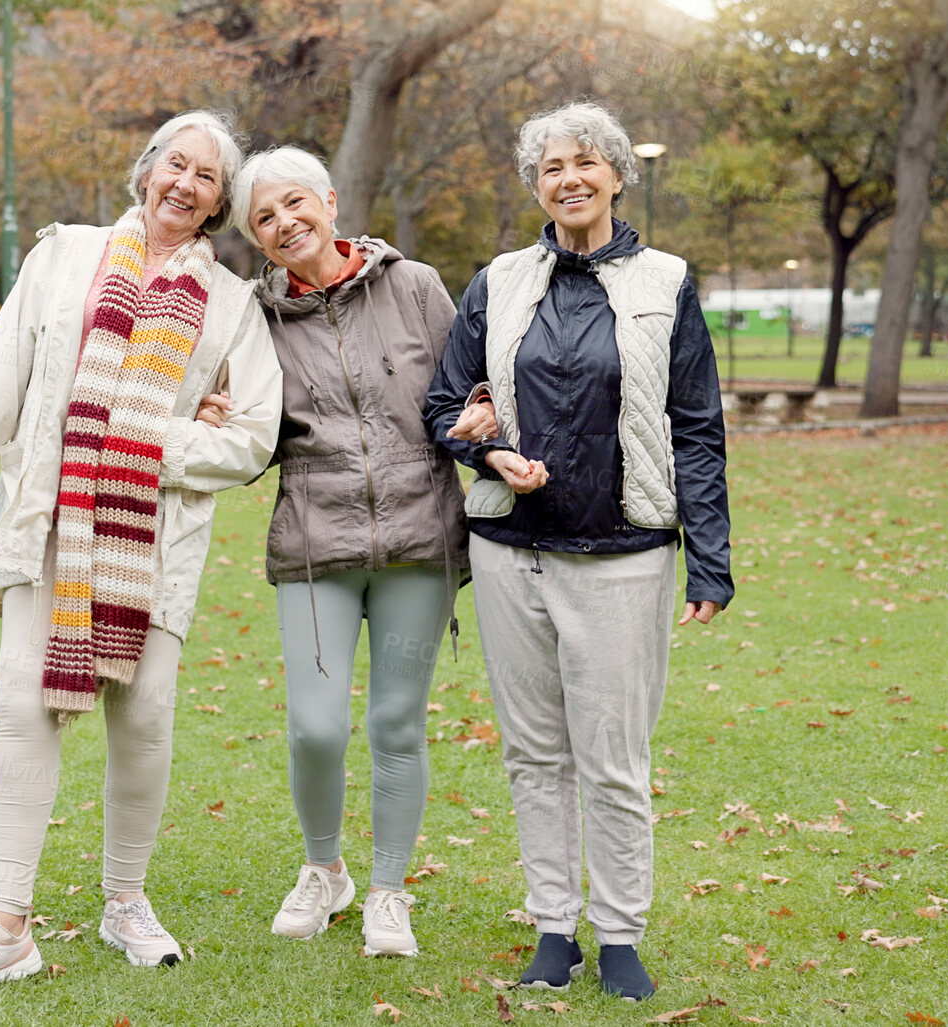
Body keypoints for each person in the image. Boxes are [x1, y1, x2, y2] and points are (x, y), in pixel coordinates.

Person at [0, 109, 282, 998]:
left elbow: (255, 436)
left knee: (142, 715)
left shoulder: (230, 306)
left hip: (154, 538)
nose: (184, 185)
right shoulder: (61, 256)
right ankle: (3, 922)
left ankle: (124, 899)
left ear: (220, 201)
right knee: (24, 709)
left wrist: (157, 443)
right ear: (148, 170)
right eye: (174, 165)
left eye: (206, 177)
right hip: (50, 521)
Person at [424, 101, 732, 1001]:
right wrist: (484, 448)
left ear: (615, 174)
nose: (569, 178)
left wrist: (707, 555)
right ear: (535, 185)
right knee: (533, 753)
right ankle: (553, 926)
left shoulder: (666, 282)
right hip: (509, 550)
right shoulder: (498, 280)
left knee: (612, 753)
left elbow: (697, 429)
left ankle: (621, 933)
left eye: (584, 162)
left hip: (623, 552)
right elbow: (442, 405)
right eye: (550, 167)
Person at [231, 146, 468, 958]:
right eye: (263, 218)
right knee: (315, 729)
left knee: (398, 720)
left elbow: (459, 389)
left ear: (329, 202)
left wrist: (478, 420)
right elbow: (251, 437)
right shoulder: (254, 318)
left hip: (418, 538)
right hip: (313, 543)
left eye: (293, 203)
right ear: (256, 240)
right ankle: (323, 869)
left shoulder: (415, 286)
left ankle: (388, 890)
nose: (283, 223)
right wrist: (217, 419)